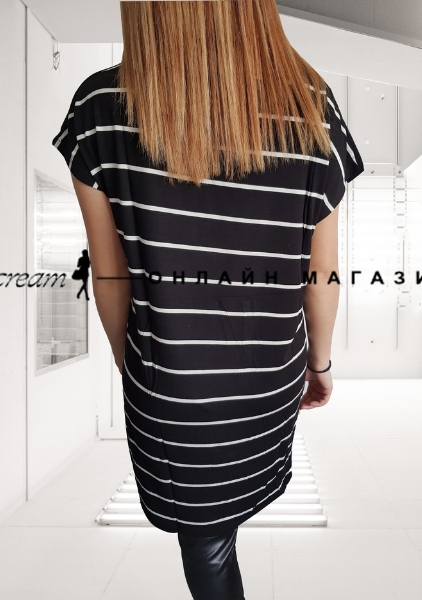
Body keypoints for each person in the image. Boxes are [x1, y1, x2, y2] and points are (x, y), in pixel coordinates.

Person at [52, 1, 364, 598]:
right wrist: (319, 365)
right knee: (225, 523)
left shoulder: (99, 108)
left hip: (172, 391)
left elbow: (110, 277)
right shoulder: (312, 105)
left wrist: (138, 371)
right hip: (271, 379)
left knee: (205, 542)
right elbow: (321, 272)